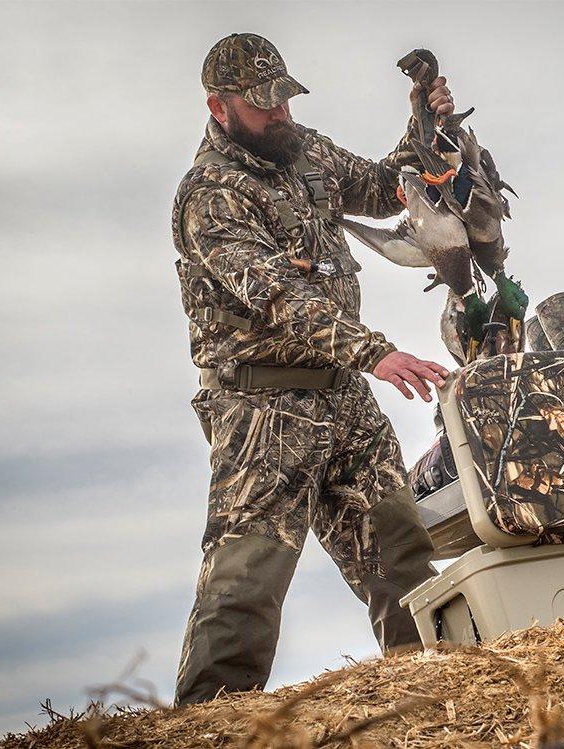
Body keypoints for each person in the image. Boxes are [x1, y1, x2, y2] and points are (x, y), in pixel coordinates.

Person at [170, 32, 452, 706]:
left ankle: (441, 698)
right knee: (246, 585)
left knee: (403, 554)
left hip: (342, 399)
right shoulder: (210, 195)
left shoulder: (307, 151)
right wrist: (374, 351)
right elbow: (274, 295)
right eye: (264, 106)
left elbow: (388, 189)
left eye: (284, 98)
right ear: (219, 106)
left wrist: (424, 121)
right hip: (260, 412)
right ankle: (212, 724)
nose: (281, 115)